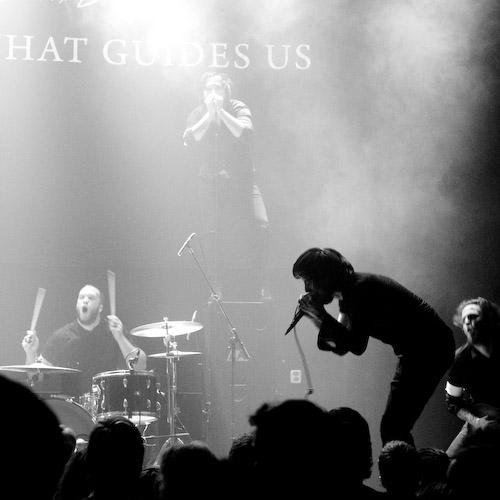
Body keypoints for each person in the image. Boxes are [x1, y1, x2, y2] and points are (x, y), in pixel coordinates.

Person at [293, 247, 455, 445]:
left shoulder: (360, 289)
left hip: (429, 347)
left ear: (324, 276)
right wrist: (315, 316)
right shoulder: (348, 294)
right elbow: (341, 344)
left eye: (309, 280)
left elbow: (355, 346)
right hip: (422, 349)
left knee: (394, 427)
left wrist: (320, 314)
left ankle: (403, 465)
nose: (307, 289)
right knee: (394, 426)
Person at [182, 72, 270, 300]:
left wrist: (220, 112)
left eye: (218, 89)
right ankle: (216, 287)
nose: (213, 94)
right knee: (212, 234)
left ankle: (262, 283)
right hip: (210, 181)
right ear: (203, 93)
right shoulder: (197, 114)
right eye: (209, 89)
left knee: (261, 225)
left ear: (226, 91)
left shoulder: (237, 107)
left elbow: (244, 131)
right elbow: (192, 137)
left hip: (243, 180)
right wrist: (210, 115)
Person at [21, 284, 146, 395]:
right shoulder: (62, 336)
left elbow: (141, 366)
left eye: (91, 298)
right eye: (81, 297)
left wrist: (120, 337)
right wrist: (30, 353)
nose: (85, 300)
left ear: (100, 307)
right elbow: (36, 377)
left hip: (107, 403)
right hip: (72, 407)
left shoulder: (113, 331)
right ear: (77, 305)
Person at [444, 297, 500, 457]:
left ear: (488, 319)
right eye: (464, 319)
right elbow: (452, 403)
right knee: (446, 463)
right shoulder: (460, 359)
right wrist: (478, 422)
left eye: (473, 316)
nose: (467, 321)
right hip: (481, 421)